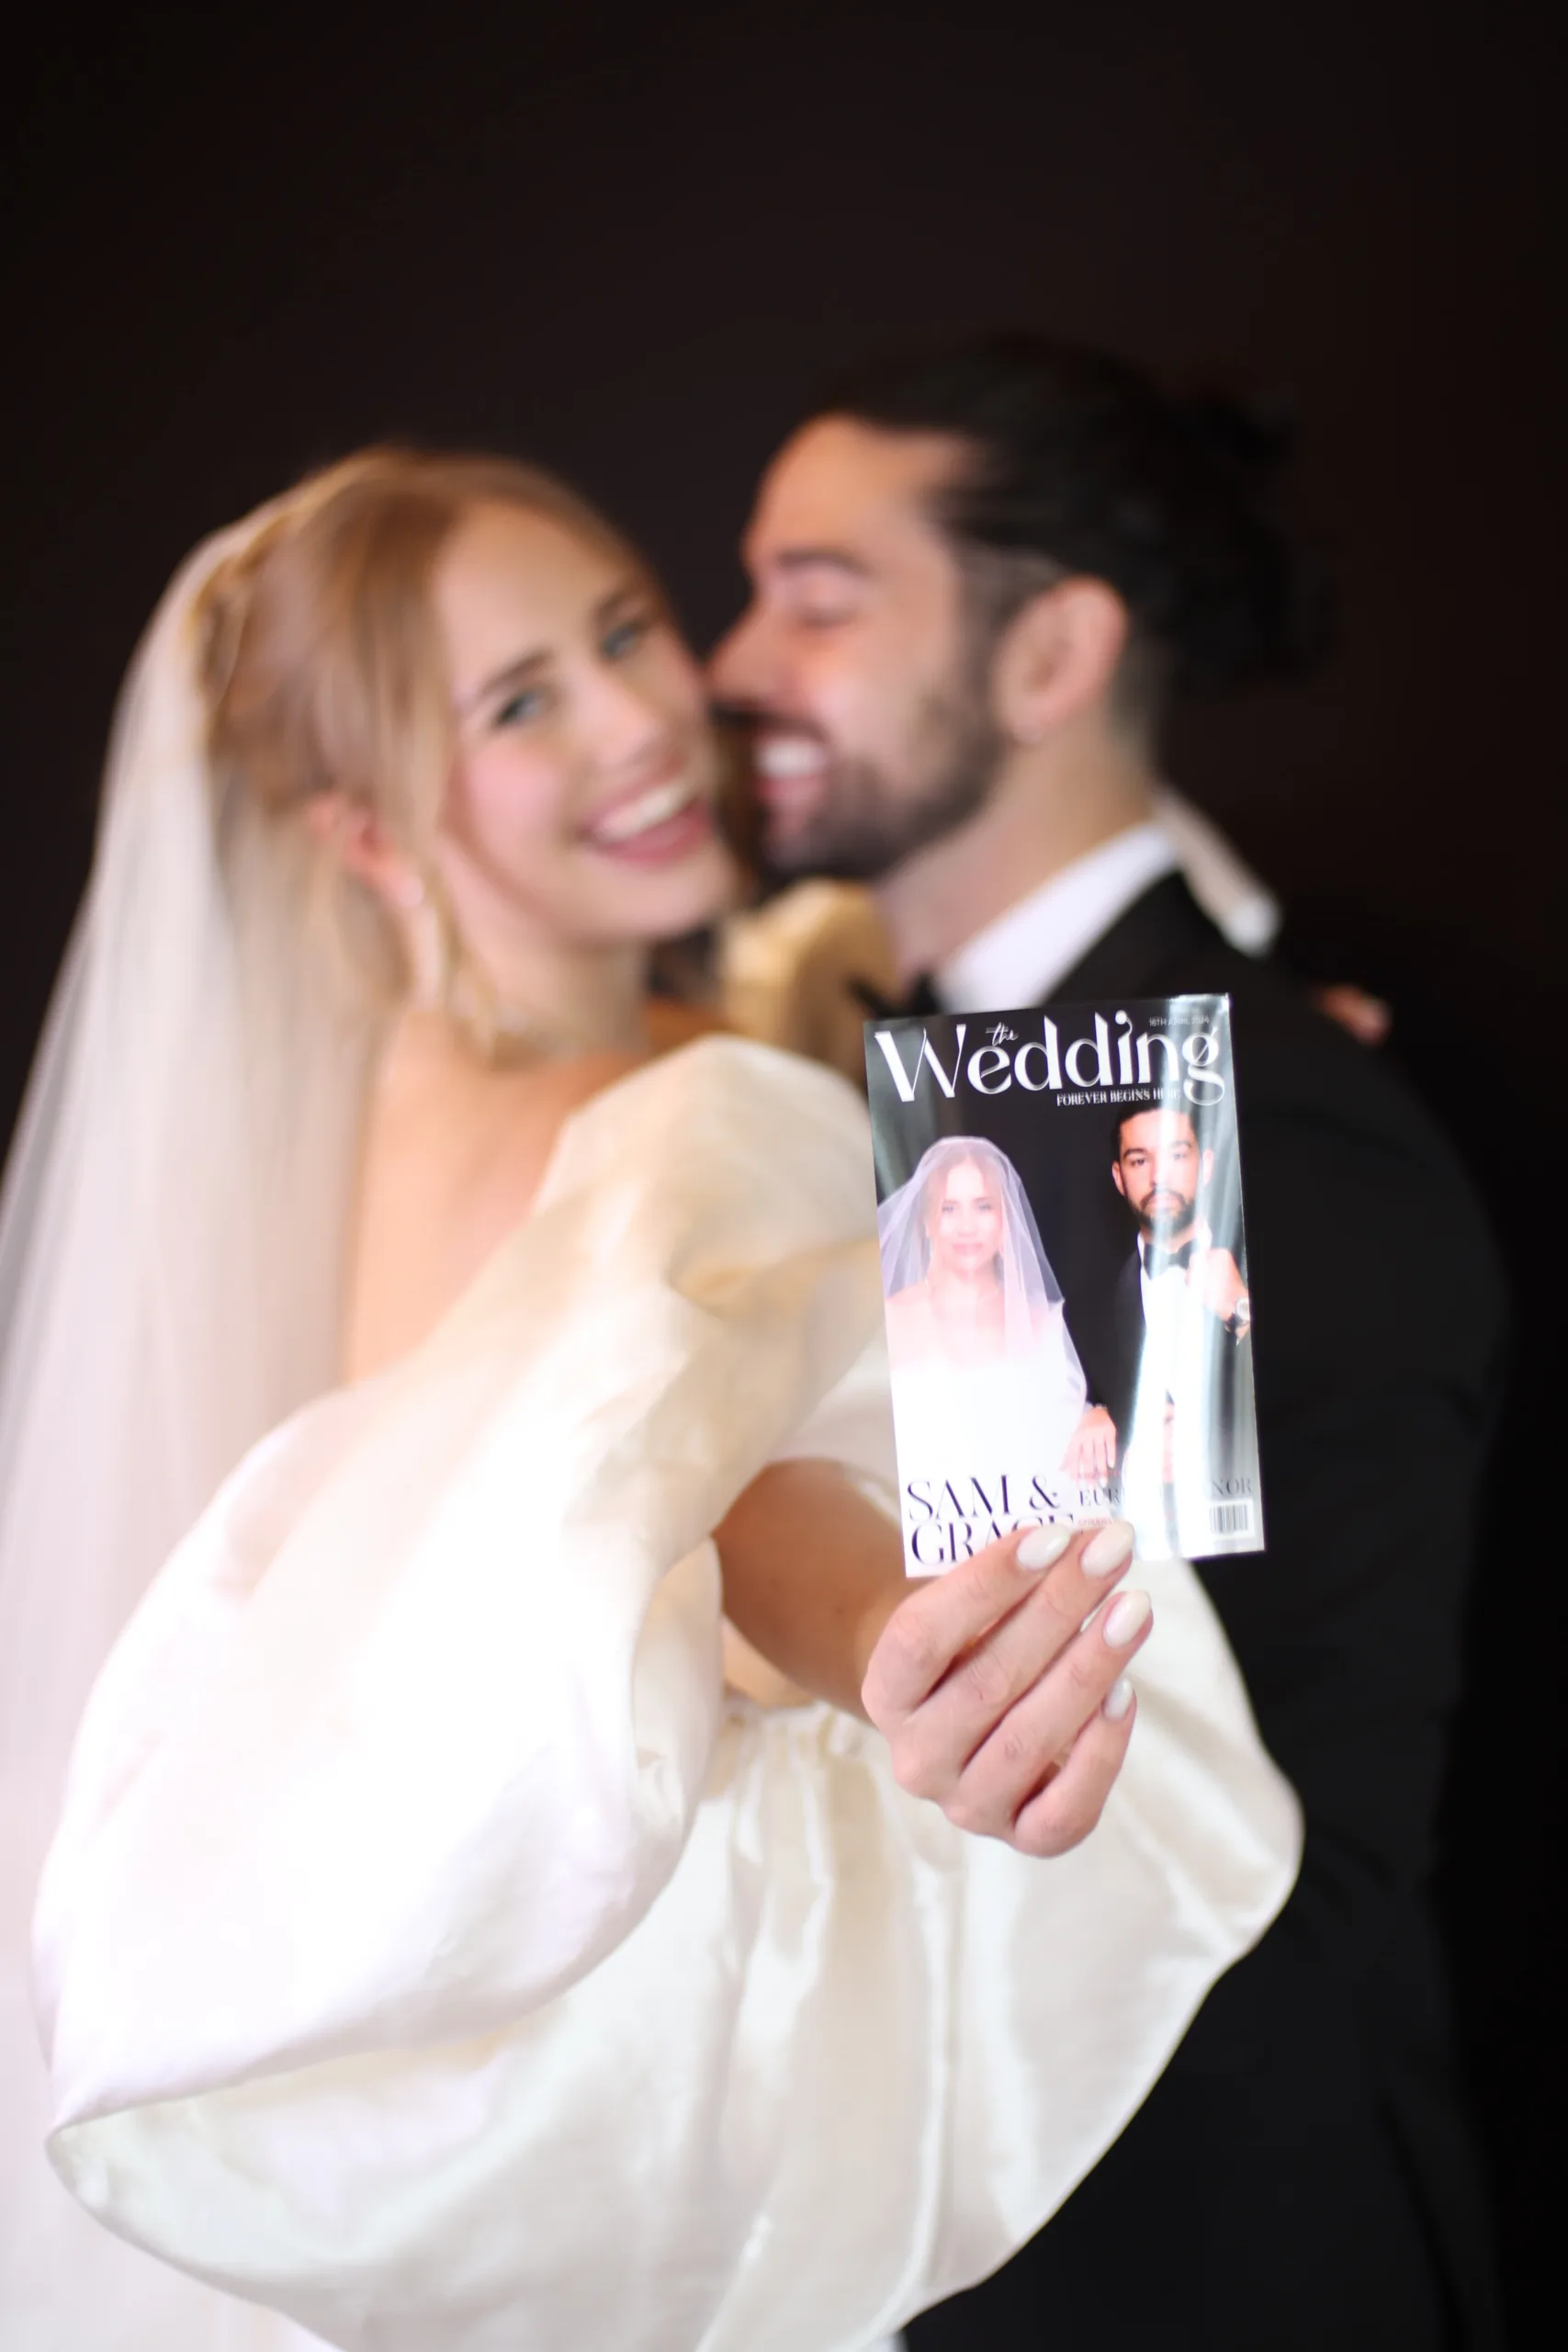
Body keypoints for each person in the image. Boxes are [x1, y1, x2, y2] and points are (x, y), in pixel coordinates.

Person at [0, 449, 1299, 2350]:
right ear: (366, 830)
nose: (641, 720)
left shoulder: (385, 1106)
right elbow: (688, 1474)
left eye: (622, 633)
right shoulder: (626, 1129)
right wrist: (884, 1633)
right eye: (522, 702)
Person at [710, 334, 1508, 2350]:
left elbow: (1275, 1856)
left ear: (1050, 652)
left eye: (818, 596)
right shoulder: (855, 1065)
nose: (735, 665)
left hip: (1184, 2264)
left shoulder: (1268, 1117)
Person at [1068, 1099, 1256, 1560]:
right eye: (1139, 1159)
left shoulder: (1253, 1261)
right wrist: (1093, 1410)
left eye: (1175, 1155)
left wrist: (1241, 1311)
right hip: (1150, 1555)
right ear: (1119, 1177)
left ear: (1206, 1164)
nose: (1158, 1177)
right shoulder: (1090, 1307)